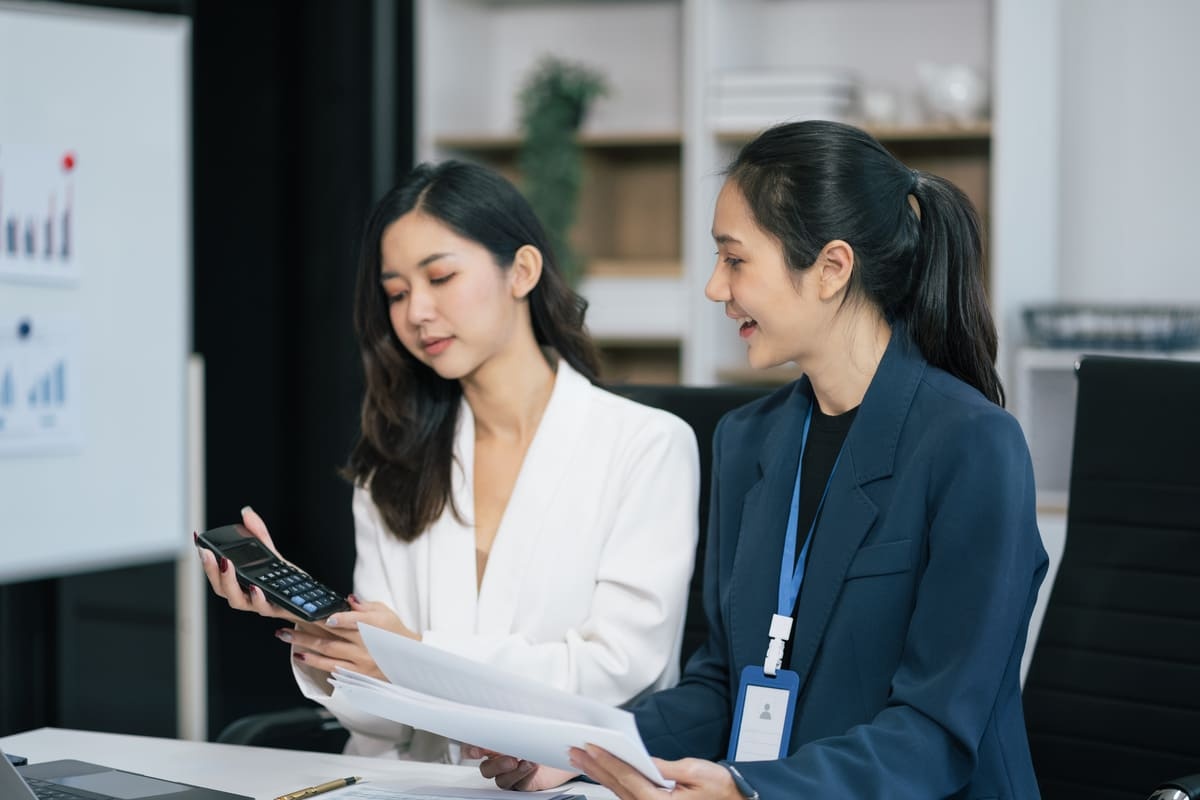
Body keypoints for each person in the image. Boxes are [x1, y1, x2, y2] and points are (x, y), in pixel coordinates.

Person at [475, 119, 1049, 798]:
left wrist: (751, 791)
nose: (716, 288)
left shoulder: (973, 445)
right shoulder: (747, 439)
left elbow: (936, 731)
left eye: (735, 259)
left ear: (832, 268)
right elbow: (723, 684)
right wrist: (577, 752)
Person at [197, 160, 700, 763]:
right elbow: (380, 725)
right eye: (397, 293)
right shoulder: (393, 465)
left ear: (522, 270)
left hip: (573, 781)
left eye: (440, 278)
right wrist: (318, 633)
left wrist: (414, 655)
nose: (416, 313)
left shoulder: (645, 445)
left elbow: (619, 669)